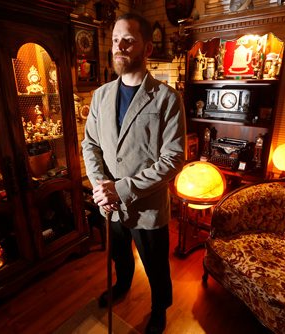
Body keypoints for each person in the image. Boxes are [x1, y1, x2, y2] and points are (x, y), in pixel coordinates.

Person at [81, 12, 186, 334]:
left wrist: (122, 188)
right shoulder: (100, 95)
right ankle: (121, 286)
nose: (120, 46)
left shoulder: (167, 98)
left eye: (128, 40)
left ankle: (159, 309)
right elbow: (90, 144)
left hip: (148, 207)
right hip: (108, 204)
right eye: (115, 40)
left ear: (147, 48)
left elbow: (174, 157)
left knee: (155, 267)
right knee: (119, 256)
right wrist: (101, 186)